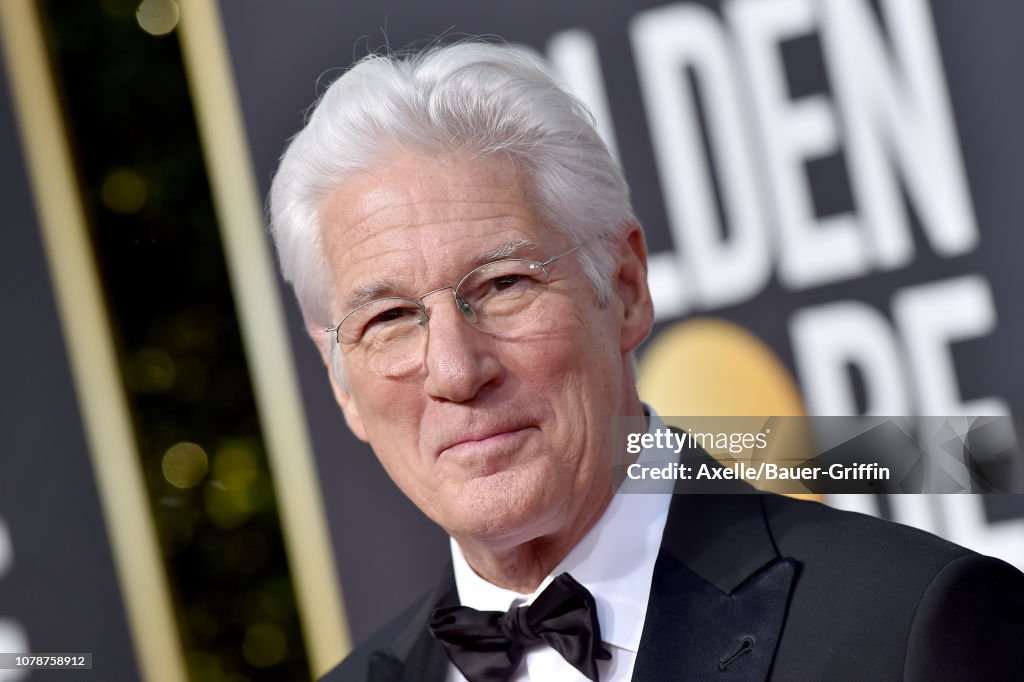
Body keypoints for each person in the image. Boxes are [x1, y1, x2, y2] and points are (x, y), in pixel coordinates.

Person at [268, 40, 1024, 682]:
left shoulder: (907, 630)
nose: (457, 372)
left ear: (625, 288)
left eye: (502, 285)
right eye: (391, 318)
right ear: (339, 376)